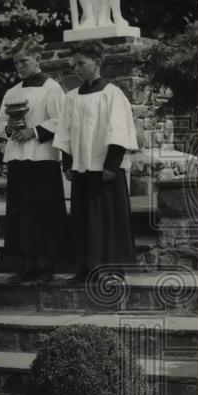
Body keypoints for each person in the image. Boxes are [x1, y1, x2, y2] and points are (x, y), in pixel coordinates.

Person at [53, 51, 138, 284]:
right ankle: (86, 268)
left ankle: (113, 270)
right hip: (82, 168)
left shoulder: (112, 94)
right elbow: (65, 132)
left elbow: (119, 129)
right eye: (74, 65)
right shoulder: (71, 97)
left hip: (106, 168)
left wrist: (111, 164)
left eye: (81, 63)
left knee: (109, 219)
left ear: (98, 62)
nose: (76, 68)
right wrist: (68, 163)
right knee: (83, 219)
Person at [0, 41, 69, 284]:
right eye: (16, 62)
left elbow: (61, 120)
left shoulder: (51, 88)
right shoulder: (13, 91)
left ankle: (46, 266)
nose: (19, 66)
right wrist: (9, 127)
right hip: (18, 157)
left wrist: (34, 132)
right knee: (21, 214)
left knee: (43, 213)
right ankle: (26, 265)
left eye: (24, 61)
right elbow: (0, 123)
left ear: (38, 58)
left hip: (42, 159)